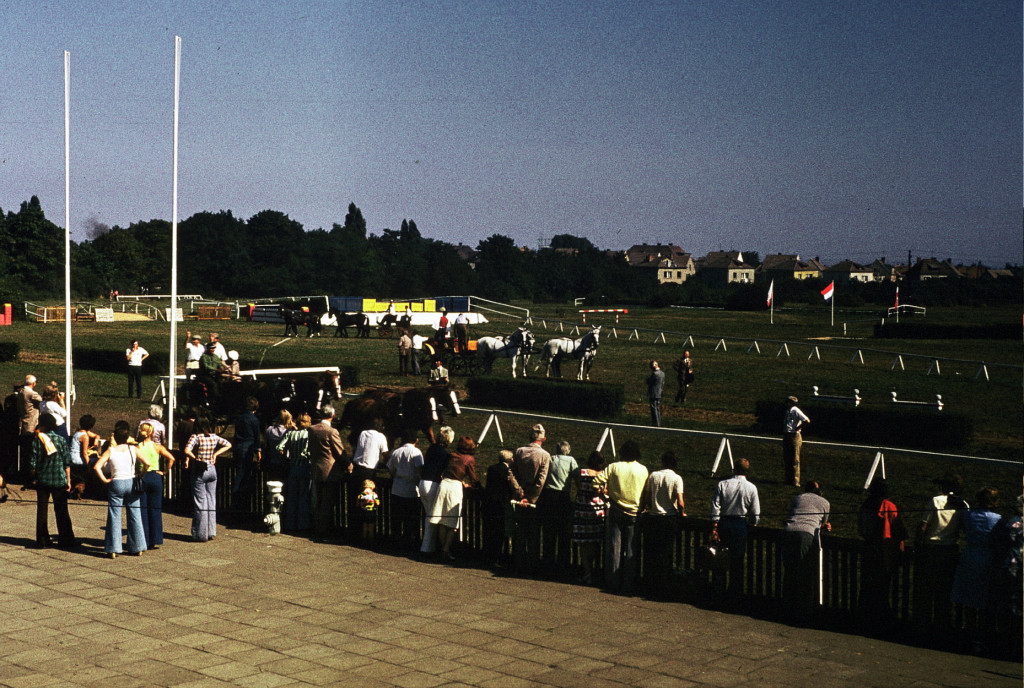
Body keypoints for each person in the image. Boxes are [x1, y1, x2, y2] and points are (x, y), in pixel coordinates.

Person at [913, 473, 967, 639]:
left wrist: (918, 545)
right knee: (944, 592)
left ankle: (923, 628)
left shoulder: (935, 501)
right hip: (950, 549)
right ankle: (942, 629)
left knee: (927, 591)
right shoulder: (963, 504)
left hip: (932, 548)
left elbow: (923, 526)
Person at [593, 440, 649, 594]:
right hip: (634, 512)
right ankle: (629, 583)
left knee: (614, 547)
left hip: (616, 510)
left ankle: (612, 581)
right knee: (631, 549)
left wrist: (605, 498)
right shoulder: (643, 470)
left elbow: (596, 483)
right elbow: (646, 492)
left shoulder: (614, 466)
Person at [950, 487, 1002, 649]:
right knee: (983, 599)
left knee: (968, 600)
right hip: (986, 559)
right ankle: (981, 637)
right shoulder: (997, 519)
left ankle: (969, 634)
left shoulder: (968, 515)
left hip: (969, 557)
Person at [94, 420, 149, 557]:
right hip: (131, 481)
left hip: (116, 482)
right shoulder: (133, 449)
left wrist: (104, 479)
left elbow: (97, 466)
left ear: (115, 438)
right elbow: (147, 463)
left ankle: (113, 548)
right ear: (127, 437)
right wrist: (140, 476)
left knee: (114, 515)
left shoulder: (111, 450)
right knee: (135, 514)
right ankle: (138, 546)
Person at [857, 477, 906, 630]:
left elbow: (860, 527)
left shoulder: (865, 506)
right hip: (884, 553)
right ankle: (881, 621)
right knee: (882, 588)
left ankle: (865, 619)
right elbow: (900, 531)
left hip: (868, 549)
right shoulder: (889, 506)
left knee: (867, 586)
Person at [710, 457, 760, 598]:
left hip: (724, 523)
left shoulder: (723, 484)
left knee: (721, 559)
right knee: (737, 561)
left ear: (734, 469)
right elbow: (755, 512)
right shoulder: (751, 488)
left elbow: (716, 506)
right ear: (747, 471)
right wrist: (753, 523)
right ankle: (734, 593)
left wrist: (715, 523)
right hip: (740, 525)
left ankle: (718, 591)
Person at [782, 480, 831, 622]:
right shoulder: (825, 502)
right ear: (820, 492)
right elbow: (821, 523)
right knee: (805, 573)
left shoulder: (798, 498)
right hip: (806, 536)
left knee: (790, 571)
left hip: (788, 532)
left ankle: (787, 607)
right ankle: (803, 612)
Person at [640, 451, 686, 596]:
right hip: (669, 518)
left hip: (654, 518)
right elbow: (680, 502)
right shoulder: (677, 478)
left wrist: (647, 507)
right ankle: (663, 585)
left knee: (652, 552)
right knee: (666, 552)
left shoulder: (653, 475)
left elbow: (646, 497)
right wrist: (682, 513)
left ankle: (651, 584)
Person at [30, 413, 76, 550]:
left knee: (42, 510)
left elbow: (32, 463)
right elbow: (67, 462)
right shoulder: (61, 440)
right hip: (58, 479)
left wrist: (34, 477)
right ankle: (66, 539)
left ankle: (42, 540)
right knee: (61, 510)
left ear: (43, 425)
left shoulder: (37, 440)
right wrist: (68, 480)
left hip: (42, 480)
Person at [429, 435, 478, 562]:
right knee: (453, 522)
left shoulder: (452, 454)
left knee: (441, 519)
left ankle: (442, 549)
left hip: (444, 484)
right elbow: (474, 479)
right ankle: (446, 549)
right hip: (455, 487)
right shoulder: (469, 459)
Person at [184, 418, 231, 543]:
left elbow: (187, 450)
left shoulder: (196, 437)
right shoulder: (214, 436)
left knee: (200, 502)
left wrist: (195, 458)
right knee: (211, 500)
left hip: (200, 470)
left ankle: (200, 534)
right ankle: (211, 531)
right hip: (212, 469)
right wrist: (215, 454)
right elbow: (228, 444)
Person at [512, 424, 551, 575]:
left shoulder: (519, 451)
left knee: (520, 530)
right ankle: (532, 565)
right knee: (533, 533)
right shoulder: (545, 456)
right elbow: (541, 479)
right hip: (534, 499)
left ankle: (518, 562)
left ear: (530, 437)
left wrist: (519, 492)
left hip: (519, 496)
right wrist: (531, 498)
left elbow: (512, 473)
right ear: (544, 439)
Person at [538, 440, 579, 577]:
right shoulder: (571, 460)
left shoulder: (551, 459)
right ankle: (563, 564)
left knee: (549, 531)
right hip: (563, 496)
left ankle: (547, 562)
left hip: (549, 495)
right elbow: (577, 475)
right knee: (563, 532)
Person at [135, 421, 176, 550]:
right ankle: (156, 538)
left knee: (143, 509)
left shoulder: (136, 447)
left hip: (142, 477)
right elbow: (171, 458)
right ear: (152, 433)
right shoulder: (157, 447)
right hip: (155, 477)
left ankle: (144, 539)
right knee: (155, 509)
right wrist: (164, 471)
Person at [309, 404, 347, 542]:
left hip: (316, 468)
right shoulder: (332, 431)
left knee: (318, 501)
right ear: (333, 415)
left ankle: (317, 528)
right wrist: (348, 464)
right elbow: (339, 452)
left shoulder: (312, 429)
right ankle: (325, 532)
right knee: (328, 503)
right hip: (330, 471)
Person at [572, 451, 607, 585]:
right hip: (597, 511)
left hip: (582, 509)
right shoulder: (603, 475)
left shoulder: (581, 473)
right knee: (594, 542)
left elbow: (577, 487)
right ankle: (592, 570)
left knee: (583, 544)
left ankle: (587, 572)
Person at [482, 448, 521, 568]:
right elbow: (511, 487)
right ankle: (498, 557)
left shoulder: (491, 468)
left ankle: (488, 556)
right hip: (502, 504)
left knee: (490, 531)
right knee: (500, 532)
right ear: (509, 460)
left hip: (490, 503)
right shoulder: (508, 471)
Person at [386, 428, 424, 549]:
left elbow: (390, 468)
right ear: (416, 440)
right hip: (411, 490)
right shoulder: (416, 452)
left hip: (397, 488)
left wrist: (396, 476)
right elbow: (420, 470)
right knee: (410, 519)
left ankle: (396, 542)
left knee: (397, 518)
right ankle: (410, 543)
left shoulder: (396, 452)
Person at [419, 426, 452, 557]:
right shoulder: (445, 454)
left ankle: (428, 546)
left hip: (423, 482)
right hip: (432, 483)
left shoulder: (431, 448)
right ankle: (427, 548)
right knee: (432, 516)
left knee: (429, 514)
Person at [276, 413, 312, 532]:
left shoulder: (290, 433)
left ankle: (290, 524)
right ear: (308, 423)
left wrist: (287, 457)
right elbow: (310, 452)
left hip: (292, 466)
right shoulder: (308, 434)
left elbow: (279, 447)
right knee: (303, 497)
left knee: (291, 497)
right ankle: (303, 525)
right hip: (304, 466)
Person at [231, 397, 262, 504]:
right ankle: (241, 500)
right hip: (248, 448)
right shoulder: (254, 419)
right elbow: (257, 437)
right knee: (244, 474)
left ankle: (236, 499)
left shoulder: (239, 418)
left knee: (239, 472)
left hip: (238, 447)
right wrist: (258, 451)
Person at [69, 414, 101, 498]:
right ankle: (84, 487)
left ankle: (78, 485)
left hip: (71, 458)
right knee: (96, 460)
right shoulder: (85, 436)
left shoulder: (78, 431)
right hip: (78, 460)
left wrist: (96, 439)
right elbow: (85, 453)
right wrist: (89, 465)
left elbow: (95, 435)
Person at [783, 396, 810, 487]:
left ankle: (795, 481)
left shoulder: (796, 410)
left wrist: (798, 428)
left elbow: (807, 420)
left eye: (788, 402)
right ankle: (788, 479)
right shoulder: (788, 411)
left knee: (795, 459)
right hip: (787, 435)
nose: (786, 403)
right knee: (787, 458)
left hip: (794, 436)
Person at [17, 374, 42, 466]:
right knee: (31, 450)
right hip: (32, 425)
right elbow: (42, 401)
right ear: (33, 383)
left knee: (26, 450)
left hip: (24, 424)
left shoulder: (21, 392)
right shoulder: (32, 394)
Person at [263, 409, 293, 484]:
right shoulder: (289, 432)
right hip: (285, 462)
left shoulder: (269, 430)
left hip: (272, 461)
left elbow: (266, 445)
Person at [356, 479, 380, 545]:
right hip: (371, 512)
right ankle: (371, 539)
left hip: (363, 512)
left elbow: (357, 504)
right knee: (371, 526)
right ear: (372, 487)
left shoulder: (361, 494)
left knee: (364, 525)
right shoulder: (373, 494)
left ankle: (364, 538)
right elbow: (377, 503)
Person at [646, 361, 665, 427]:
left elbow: (649, 381)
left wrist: (647, 379)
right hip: (659, 392)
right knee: (657, 408)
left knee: (654, 408)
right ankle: (659, 422)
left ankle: (656, 424)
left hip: (653, 393)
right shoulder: (662, 373)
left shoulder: (655, 374)